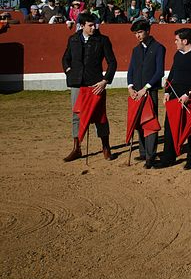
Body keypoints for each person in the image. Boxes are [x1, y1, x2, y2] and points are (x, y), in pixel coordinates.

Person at [61, 12, 118, 162]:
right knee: (76, 115)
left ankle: (106, 147)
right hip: (77, 83)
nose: (94, 28)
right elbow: (66, 58)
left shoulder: (102, 40)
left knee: (100, 116)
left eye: (95, 25)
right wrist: (69, 71)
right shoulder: (73, 39)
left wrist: (105, 81)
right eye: (90, 25)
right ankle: (77, 148)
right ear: (82, 25)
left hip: (95, 84)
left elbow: (112, 62)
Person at [158, 28, 191, 168]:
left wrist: (188, 94)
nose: (175, 42)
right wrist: (167, 92)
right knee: (170, 126)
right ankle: (168, 157)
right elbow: (172, 73)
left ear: (185, 41)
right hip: (175, 95)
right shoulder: (178, 54)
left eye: (177, 40)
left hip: (190, 97)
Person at [126, 20, 165, 168]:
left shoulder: (158, 48)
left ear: (148, 31)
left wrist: (146, 88)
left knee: (150, 122)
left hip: (149, 91)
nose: (137, 36)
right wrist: (130, 87)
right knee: (138, 122)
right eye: (136, 33)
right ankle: (143, 152)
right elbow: (131, 70)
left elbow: (159, 72)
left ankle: (151, 155)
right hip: (136, 91)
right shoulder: (136, 50)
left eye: (140, 32)